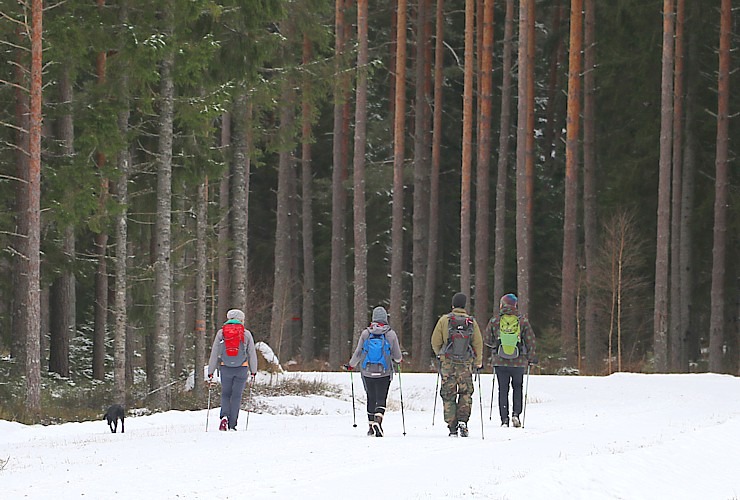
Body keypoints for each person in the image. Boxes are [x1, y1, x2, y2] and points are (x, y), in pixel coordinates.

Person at [430, 293, 483, 437]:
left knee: (448, 394)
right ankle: (463, 421)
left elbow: (435, 341)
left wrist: (440, 355)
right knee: (466, 392)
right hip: (465, 364)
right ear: (464, 305)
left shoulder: (444, 320)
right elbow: (477, 343)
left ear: (453, 305)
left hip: (448, 363)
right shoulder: (471, 322)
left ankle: (451, 425)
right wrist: (478, 361)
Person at [346, 306, 403, 437]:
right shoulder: (390, 334)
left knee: (370, 397)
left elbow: (358, 352)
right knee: (381, 398)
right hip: (384, 372)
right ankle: (378, 419)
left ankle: (371, 427)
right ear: (385, 318)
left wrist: (351, 365)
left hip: (367, 371)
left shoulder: (366, 333)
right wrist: (399, 361)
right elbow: (397, 356)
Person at [487, 293, 537, 427]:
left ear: (502, 304)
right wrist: (531, 357)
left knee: (502, 389)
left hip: (500, 361)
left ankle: (504, 419)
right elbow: (530, 341)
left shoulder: (495, 320)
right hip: (518, 361)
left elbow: (487, 340)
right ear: (515, 305)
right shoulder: (522, 321)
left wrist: (495, 348)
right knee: (517, 387)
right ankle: (516, 414)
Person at [207, 308, 258, 431]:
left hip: (225, 367)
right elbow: (252, 353)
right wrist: (253, 370)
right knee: (236, 396)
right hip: (241, 368)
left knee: (225, 394)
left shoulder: (221, 333)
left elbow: (214, 353)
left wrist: (210, 371)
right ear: (241, 319)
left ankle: (224, 416)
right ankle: (232, 424)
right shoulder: (246, 334)